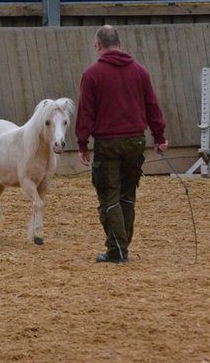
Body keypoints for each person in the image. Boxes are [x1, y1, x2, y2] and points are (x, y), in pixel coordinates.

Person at [75, 24, 168, 264]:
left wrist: (82, 144)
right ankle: (123, 243)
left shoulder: (92, 74)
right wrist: (159, 137)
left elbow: (86, 114)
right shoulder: (140, 72)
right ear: (120, 43)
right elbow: (152, 107)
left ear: (98, 46)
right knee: (128, 195)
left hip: (109, 144)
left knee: (109, 196)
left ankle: (117, 250)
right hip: (136, 141)